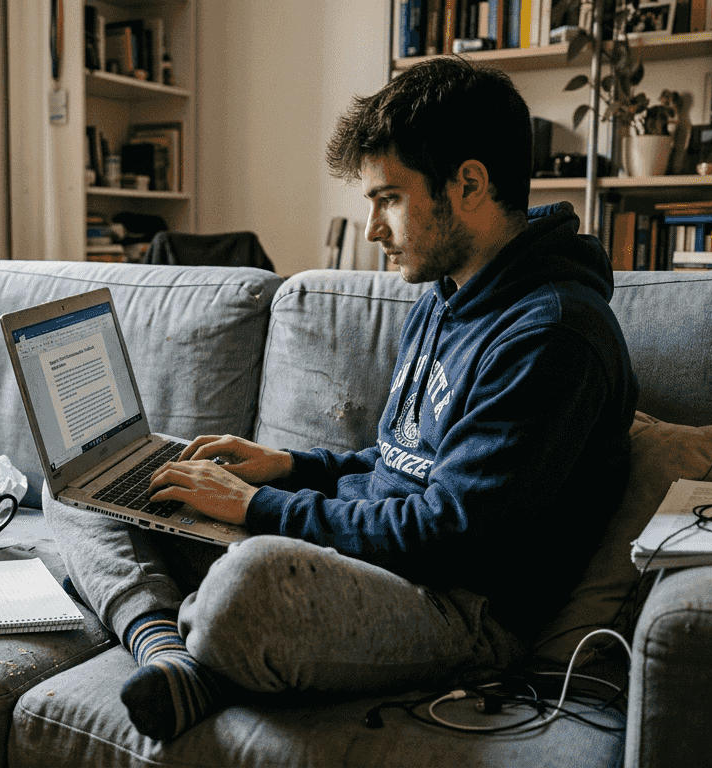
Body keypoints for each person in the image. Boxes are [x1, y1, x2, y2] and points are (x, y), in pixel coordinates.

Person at [45, 55, 640, 743]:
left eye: (387, 197)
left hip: (462, 608)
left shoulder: (553, 335)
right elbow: (403, 463)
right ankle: (174, 654)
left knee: (250, 586)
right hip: (371, 556)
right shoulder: (444, 296)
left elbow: (454, 533)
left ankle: (197, 642)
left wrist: (257, 509)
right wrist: (291, 468)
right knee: (90, 483)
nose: (373, 229)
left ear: (469, 183)